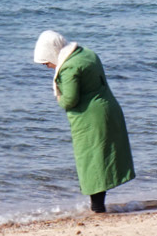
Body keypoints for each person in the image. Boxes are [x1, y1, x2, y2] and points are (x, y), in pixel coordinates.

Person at [33, 30, 135, 212]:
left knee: (91, 162)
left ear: (51, 53)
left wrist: (59, 99)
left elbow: (70, 100)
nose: (48, 66)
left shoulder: (68, 68)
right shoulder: (86, 53)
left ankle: (97, 208)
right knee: (101, 159)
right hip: (108, 109)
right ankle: (99, 206)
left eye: (46, 62)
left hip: (90, 119)